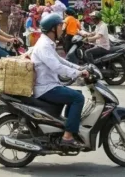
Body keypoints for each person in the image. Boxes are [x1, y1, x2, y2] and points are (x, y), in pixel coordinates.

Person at [31, 14, 89, 148]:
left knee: (78, 95)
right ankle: (68, 136)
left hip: (50, 85)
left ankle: (67, 127)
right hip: (45, 88)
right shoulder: (44, 45)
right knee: (77, 98)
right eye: (59, 26)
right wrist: (78, 73)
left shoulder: (47, 43)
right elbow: (57, 67)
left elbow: (60, 60)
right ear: (52, 29)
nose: (62, 29)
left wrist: (79, 67)